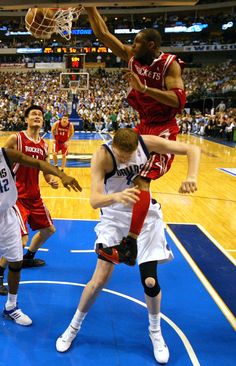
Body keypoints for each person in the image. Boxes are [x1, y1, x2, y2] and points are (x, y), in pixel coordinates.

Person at [56, 129, 200, 363]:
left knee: (150, 282)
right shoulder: (102, 156)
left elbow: (191, 149)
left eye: (128, 155)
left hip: (145, 215)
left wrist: (191, 175)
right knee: (99, 280)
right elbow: (94, 201)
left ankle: (155, 332)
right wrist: (117, 197)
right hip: (113, 215)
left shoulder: (147, 143)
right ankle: (73, 327)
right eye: (121, 155)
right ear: (113, 146)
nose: (125, 160)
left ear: (137, 147)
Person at [85, 7, 186, 264]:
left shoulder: (169, 65)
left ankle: (130, 243)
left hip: (163, 127)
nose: (132, 45)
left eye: (138, 41)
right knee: (129, 175)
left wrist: (144, 89)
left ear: (151, 45)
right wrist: (89, 7)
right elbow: (104, 34)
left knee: (142, 179)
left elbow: (177, 101)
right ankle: (138, 216)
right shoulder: (133, 57)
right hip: (143, 124)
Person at [0, 146, 81, 325]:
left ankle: (11, 307)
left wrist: (62, 175)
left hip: (6, 217)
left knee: (15, 262)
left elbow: (37, 162)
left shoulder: (5, 154)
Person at [0, 105, 67, 296]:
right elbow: (3, 161)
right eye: (33, 114)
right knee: (19, 239)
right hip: (16, 197)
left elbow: (43, 168)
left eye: (39, 114)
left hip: (34, 195)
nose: (37, 116)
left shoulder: (44, 145)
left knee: (49, 230)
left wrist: (50, 179)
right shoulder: (17, 138)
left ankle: (28, 258)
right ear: (26, 120)